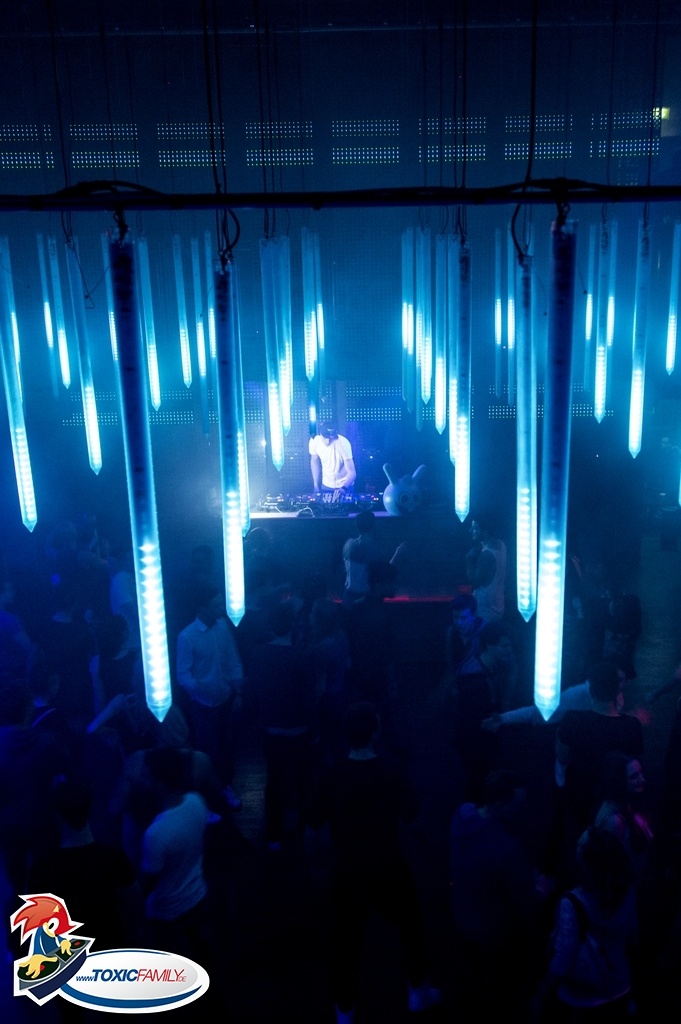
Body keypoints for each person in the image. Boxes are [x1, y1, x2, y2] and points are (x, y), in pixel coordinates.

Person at [312, 701, 440, 1023]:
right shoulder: (391, 771)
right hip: (388, 864)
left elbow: (314, 823)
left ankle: (345, 1009)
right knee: (411, 927)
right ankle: (418, 991)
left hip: (347, 869)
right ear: (374, 733)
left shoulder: (332, 776)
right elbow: (412, 818)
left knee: (345, 942)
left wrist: (318, 866)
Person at [176, 584, 245, 811]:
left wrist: (237, 691)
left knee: (224, 746)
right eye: (216, 605)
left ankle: (221, 789)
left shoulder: (222, 626)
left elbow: (232, 657)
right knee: (208, 751)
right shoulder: (187, 637)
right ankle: (210, 797)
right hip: (204, 705)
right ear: (202, 607)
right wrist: (200, 690)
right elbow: (182, 673)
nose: (221, 608)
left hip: (225, 699)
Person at [342, 510, 406, 605]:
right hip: (365, 599)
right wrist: (398, 553)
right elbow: (386, 572)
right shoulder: (373, 550)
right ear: (373, 526)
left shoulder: (348, 544)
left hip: (348, 595)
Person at [465, 514, 507, 624]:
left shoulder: (486, 555)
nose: (471, 530)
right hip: (497, 607)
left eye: (475, 528)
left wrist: (469, 559)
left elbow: (474, 583)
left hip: (485, 614)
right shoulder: (501, 545)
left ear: (485, 532)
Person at [309, 421, 356, 494]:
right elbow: (314, 462)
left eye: (331, 438)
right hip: (326, 485)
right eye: (325, 438)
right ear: (320, 434)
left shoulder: (343, 443)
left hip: (345, 485)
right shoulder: (314, 441)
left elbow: (352, 472)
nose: (328, 441)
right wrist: (316, 485)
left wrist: (344, 488)